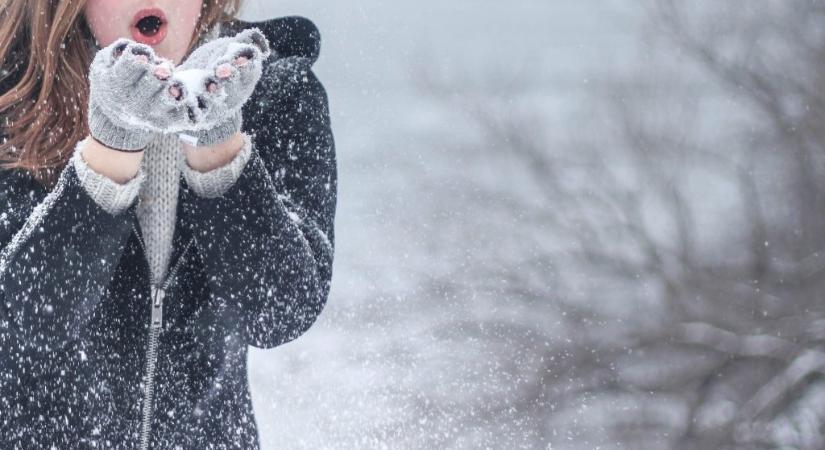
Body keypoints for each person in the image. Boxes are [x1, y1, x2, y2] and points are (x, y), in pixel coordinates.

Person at [0, 0, 337, 448]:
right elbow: (25, 322)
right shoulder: (14, 95)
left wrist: (219, 148)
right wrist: (111, 151)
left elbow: (280, 312)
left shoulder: (276, 92)